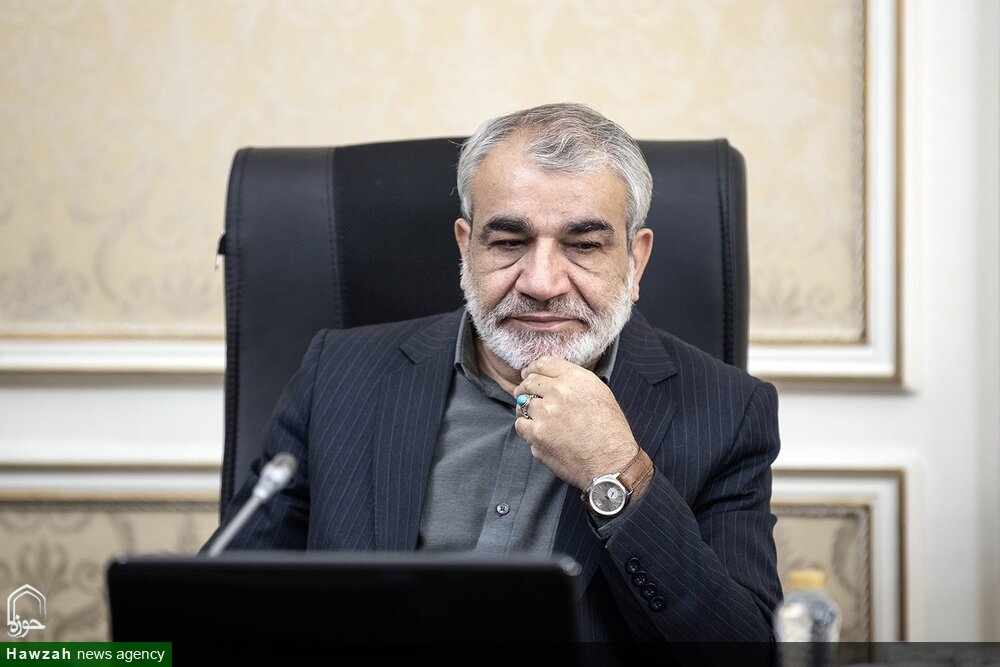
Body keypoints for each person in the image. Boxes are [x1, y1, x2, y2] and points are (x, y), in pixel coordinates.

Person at [210, 103, 782, 648]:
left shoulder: (728, 412)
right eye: (509, 243)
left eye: (584, 246)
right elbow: (220, 607)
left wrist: (616, 474)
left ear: (635, 261)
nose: (541, 283)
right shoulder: (338, 375)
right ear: (466, 248)